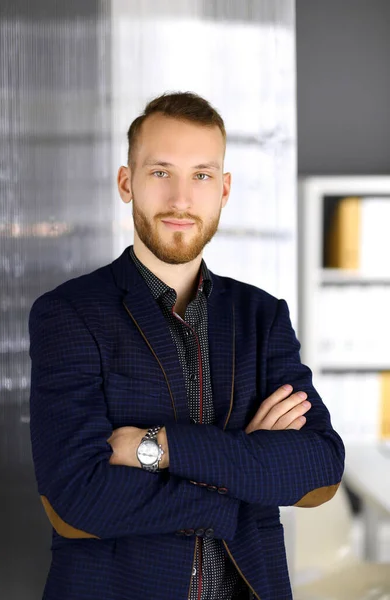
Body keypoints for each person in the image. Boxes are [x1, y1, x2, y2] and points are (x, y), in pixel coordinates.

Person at [29, 91, 345, 600]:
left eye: (200, 175)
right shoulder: (68, 314)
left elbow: (321, 469)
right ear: (126, 183)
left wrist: (155, 448)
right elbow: (76, 500)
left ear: (223, 189)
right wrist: (243, 478)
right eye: (160, 173)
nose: (181, 199)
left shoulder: (263, 317)